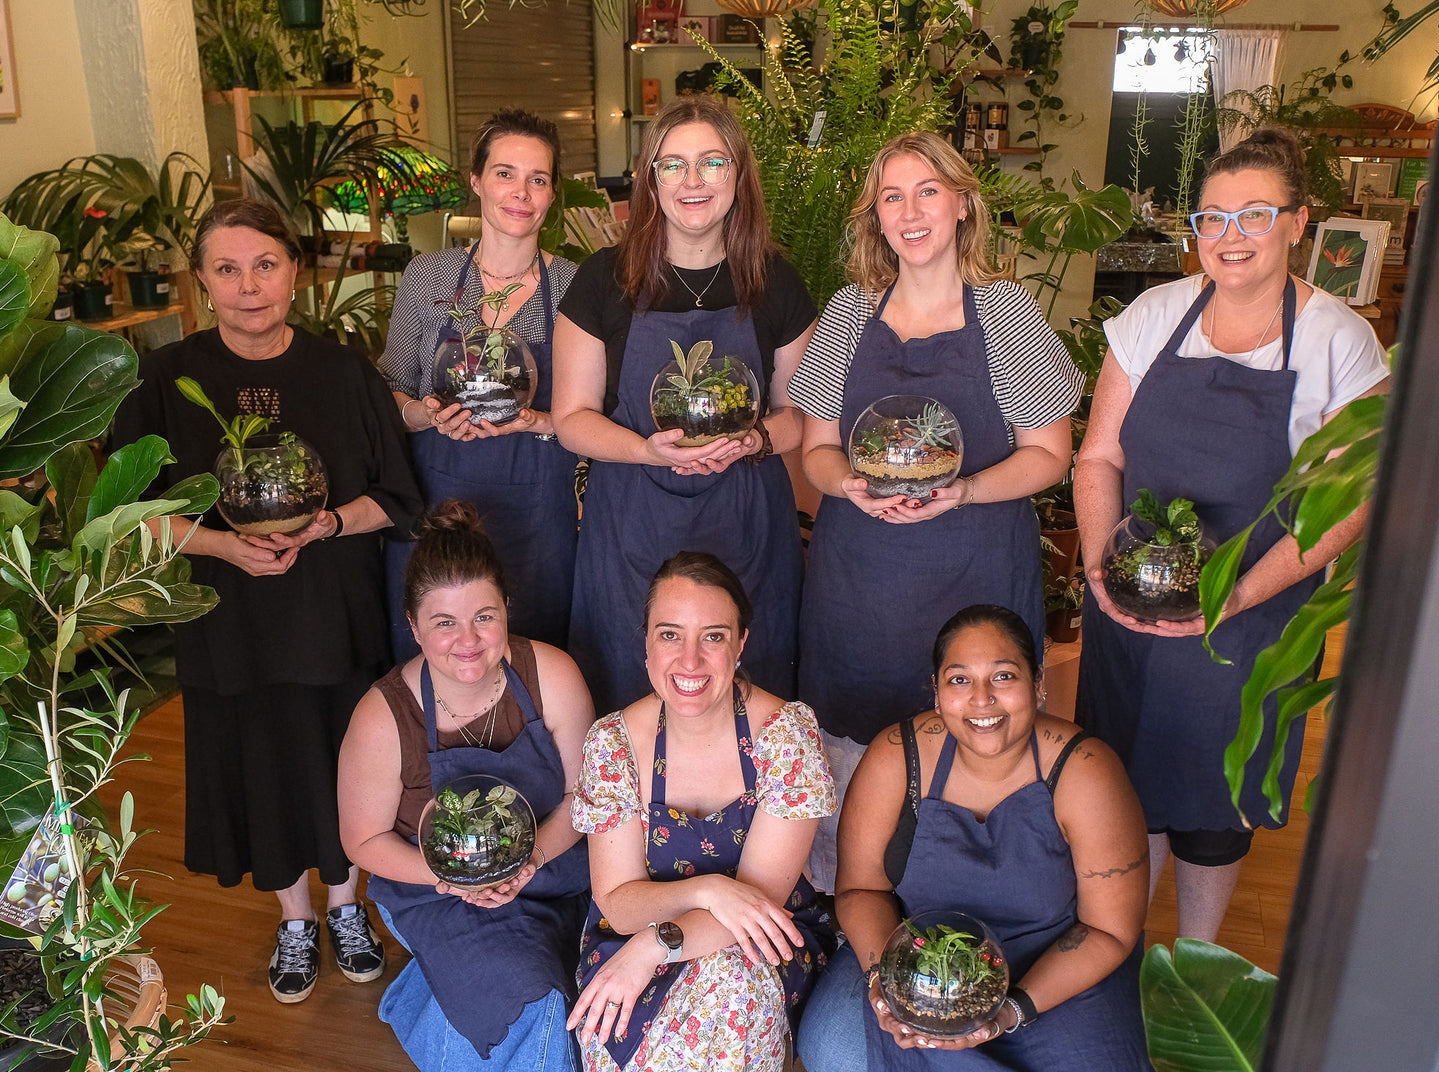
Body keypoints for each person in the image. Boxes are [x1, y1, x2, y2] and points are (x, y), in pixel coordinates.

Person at [1074, 128, 1391, 941]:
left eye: (1254, 215)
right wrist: (1102, 571)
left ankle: (1199, 963)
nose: (1229, 237)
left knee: (1218, 801)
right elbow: (1100, 455)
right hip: (1133, 611)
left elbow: (1347, 505)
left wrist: (1239, 593)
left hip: (1255, 617)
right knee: (1124, 787)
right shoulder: (1153, 317)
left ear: (1299, 222)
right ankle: (1118, 954)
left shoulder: (1338, 340)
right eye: (1210, 219)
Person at [110, 198, 424, 1002]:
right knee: (264, 765)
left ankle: (348, 907)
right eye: (227, 269)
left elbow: (397, 497)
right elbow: (126, 515)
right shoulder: (168, 380)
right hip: (229, 622)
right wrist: (220, 544)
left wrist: (323, 526)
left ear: (295, 272)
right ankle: (295, 919)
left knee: (346, 763)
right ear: (201, 284)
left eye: (266, 265)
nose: (250, 286)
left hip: (333, 615)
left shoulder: (344, 373)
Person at [788, 131, 1081, 891]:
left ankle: (964, 910)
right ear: (875, 217)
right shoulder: (850, 313)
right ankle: (847, 909)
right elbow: (818, 448)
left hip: (975, 578)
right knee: (851, 766)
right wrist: (846, 483)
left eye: (927, 192)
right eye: (892, 196)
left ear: (961, 204)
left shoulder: (1006, 314)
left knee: (973, 749)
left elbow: (1051, 454)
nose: (910, 211)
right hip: (859, 589)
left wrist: (965, 490)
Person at [799, 605, 1152, 1072]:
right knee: (835, 1050)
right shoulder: (896, 758)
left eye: (1003, 677)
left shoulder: (1086, 772)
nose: (981, 699)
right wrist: (890, 986)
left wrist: (1010, 1011)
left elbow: (1110, 930)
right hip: (922, 963)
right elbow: (861, 889)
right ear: (937, 690)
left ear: (1038, 682)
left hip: (1058, 973)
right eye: (960, 680)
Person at [552, 97, 817, 714]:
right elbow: (571, 419)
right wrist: (645, 448)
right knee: (631, 691)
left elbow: (800, 413)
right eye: (672, 165)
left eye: (711, 163)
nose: (692, 181)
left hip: (747, 519)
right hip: (633, 524)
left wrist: (755, 440)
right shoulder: (602, 280)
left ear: (739, 175)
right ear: (650, 178)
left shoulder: (775, 280)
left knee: (754, 696)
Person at [339, 499, 595, 1070]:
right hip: (436, 891)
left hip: (554, 871)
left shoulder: (552, 673)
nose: (468, 640)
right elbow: (363, 840)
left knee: (605, 997)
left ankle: (425, 994)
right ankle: (445, 983)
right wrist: (452, 880)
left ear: (506, 606)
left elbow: (586, 797)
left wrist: (527, 863)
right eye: (444, 623)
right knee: (540, 1002)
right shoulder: (383, 715)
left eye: (483, 616)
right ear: (413, 626)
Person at [567, 552, 836, 1071]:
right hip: (632, 933)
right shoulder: (614, 743)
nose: (689, 661)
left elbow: (759, 907)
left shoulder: (786, 735)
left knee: (730, 988)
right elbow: (619, 903)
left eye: (713, 636)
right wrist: (707, 890)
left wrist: (654, 949)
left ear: (741, 644)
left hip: (763, 940)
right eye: (670, 635)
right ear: (645, 641)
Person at [380, 110, 581, 657]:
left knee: (535, 660)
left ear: (552, 194)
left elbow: (598, 412)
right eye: (505, 174)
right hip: (438, 509)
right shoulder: (429, 277)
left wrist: (538, 420)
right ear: (476, 181)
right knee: (438, 661)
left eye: (537, 179)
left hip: (538, 516)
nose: (521, 193)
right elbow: (390, 391)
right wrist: (423, 414)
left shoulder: (576, 289)